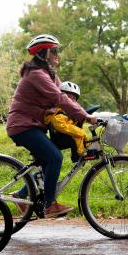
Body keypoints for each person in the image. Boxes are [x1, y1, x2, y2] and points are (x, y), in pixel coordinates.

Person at [6, 35, 97, 217]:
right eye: (54, 50)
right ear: (44, 53)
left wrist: (85, 113)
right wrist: (86, 117)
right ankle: (49, 205)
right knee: (54, 158)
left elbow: (65, 95)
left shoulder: (48, 74)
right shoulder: (36, 74)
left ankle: (20, 195)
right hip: (23, 126)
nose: (57, 54)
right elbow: (59, 98)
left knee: (47, 161)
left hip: (34, 126)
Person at [43, 81, 89, 162]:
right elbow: (61, 126)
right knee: (78, 135)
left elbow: (73, 123)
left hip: (65, 136)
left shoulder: (68, 113)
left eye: (74, 98)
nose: (71, 100)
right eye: (68, 97)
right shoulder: (57, 112)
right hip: (59, 138)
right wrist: (80, 132)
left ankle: (84, 153)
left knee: (84, 138)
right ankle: (78, 156)